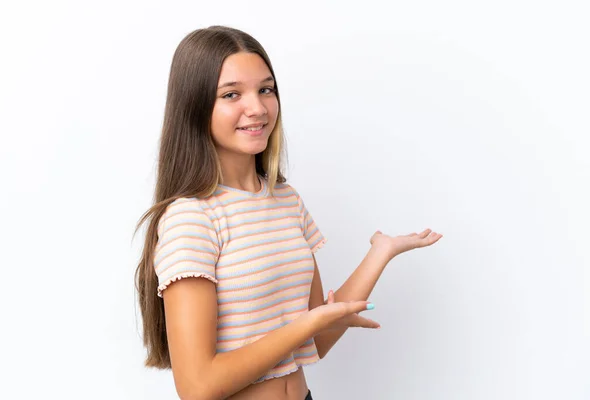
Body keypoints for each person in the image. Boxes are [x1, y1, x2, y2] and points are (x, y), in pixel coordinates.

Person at [134, 25, 442, 400]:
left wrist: (380, 253)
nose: (258, 108)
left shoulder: (285, 200)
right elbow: (197, 387)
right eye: (232, 94)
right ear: (196, 107)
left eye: (266, 89)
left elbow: (316, 339)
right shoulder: (192, 218)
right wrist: (304, 325)